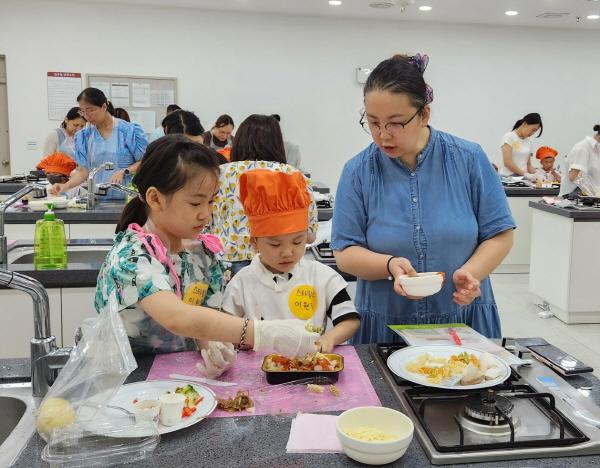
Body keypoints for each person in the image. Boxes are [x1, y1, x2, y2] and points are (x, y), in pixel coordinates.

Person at [95, 135, 320, 373]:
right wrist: (262, 332)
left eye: (211, 202)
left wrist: (211, 346)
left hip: (181, 381)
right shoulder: (131, 255)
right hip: (129, 379)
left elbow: (204, 317)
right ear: (155, 198)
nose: (206, 214)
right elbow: (177, 317)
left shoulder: (201, 253)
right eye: (195, 204)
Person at [331, 54, 515, 343]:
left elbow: (500, 234)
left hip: (461, 318)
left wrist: (470, 274)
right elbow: (345, 253)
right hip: (386, 323)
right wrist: (389, 265)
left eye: (395, 123)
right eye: (373, 123)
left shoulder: (468, 159)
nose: (382, 135)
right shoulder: (357, 172)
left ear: (424, 115)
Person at [222, 170, 360, 353]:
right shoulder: (242, 282)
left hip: (309, 364)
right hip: (258, 369)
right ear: (254, 242)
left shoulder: (321, 276)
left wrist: (330, 337)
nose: (287, 253)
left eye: (297, 242)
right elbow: (223, 327)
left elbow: (349, 319)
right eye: (275, 244)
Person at [209, 114, 319, 276]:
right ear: (277, 143)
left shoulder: (220, 174)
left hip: (225, 264)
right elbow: (309, 236)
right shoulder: (293, 176)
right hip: (277, 263)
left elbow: (205, 227)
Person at [49, 87, 148, 200]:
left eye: (90, 110)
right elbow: (83, 171)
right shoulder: (84, 136)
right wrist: (65, 186)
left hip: (128, 198)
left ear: (104, 106)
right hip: (98, 199)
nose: (87, 116)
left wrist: (125, 171)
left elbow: (145, 161)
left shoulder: (128, 131)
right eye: (83, 112)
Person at [559, 124, 600, 197]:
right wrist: (593, 194)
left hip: (590, 195)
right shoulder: (583, 148)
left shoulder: (597, 149)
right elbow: (573, 177)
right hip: (575, 195)